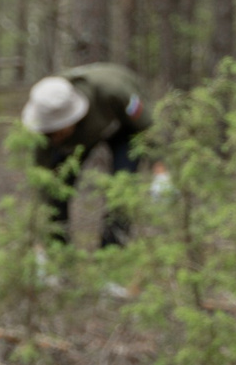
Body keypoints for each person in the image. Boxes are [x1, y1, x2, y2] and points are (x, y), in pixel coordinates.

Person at [22, 63, 151, 247]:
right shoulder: (45, 122)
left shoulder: (114, 91)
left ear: (72, 118)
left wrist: (161, 170)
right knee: (57, 190)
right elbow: (43, 178)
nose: (53, 137)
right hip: (78, 139)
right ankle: (58, 251)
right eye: (49, 132)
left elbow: (148, 127)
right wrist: (42, 231)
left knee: (122, 186)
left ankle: (112, 252)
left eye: (57, 131)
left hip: (122, 127)